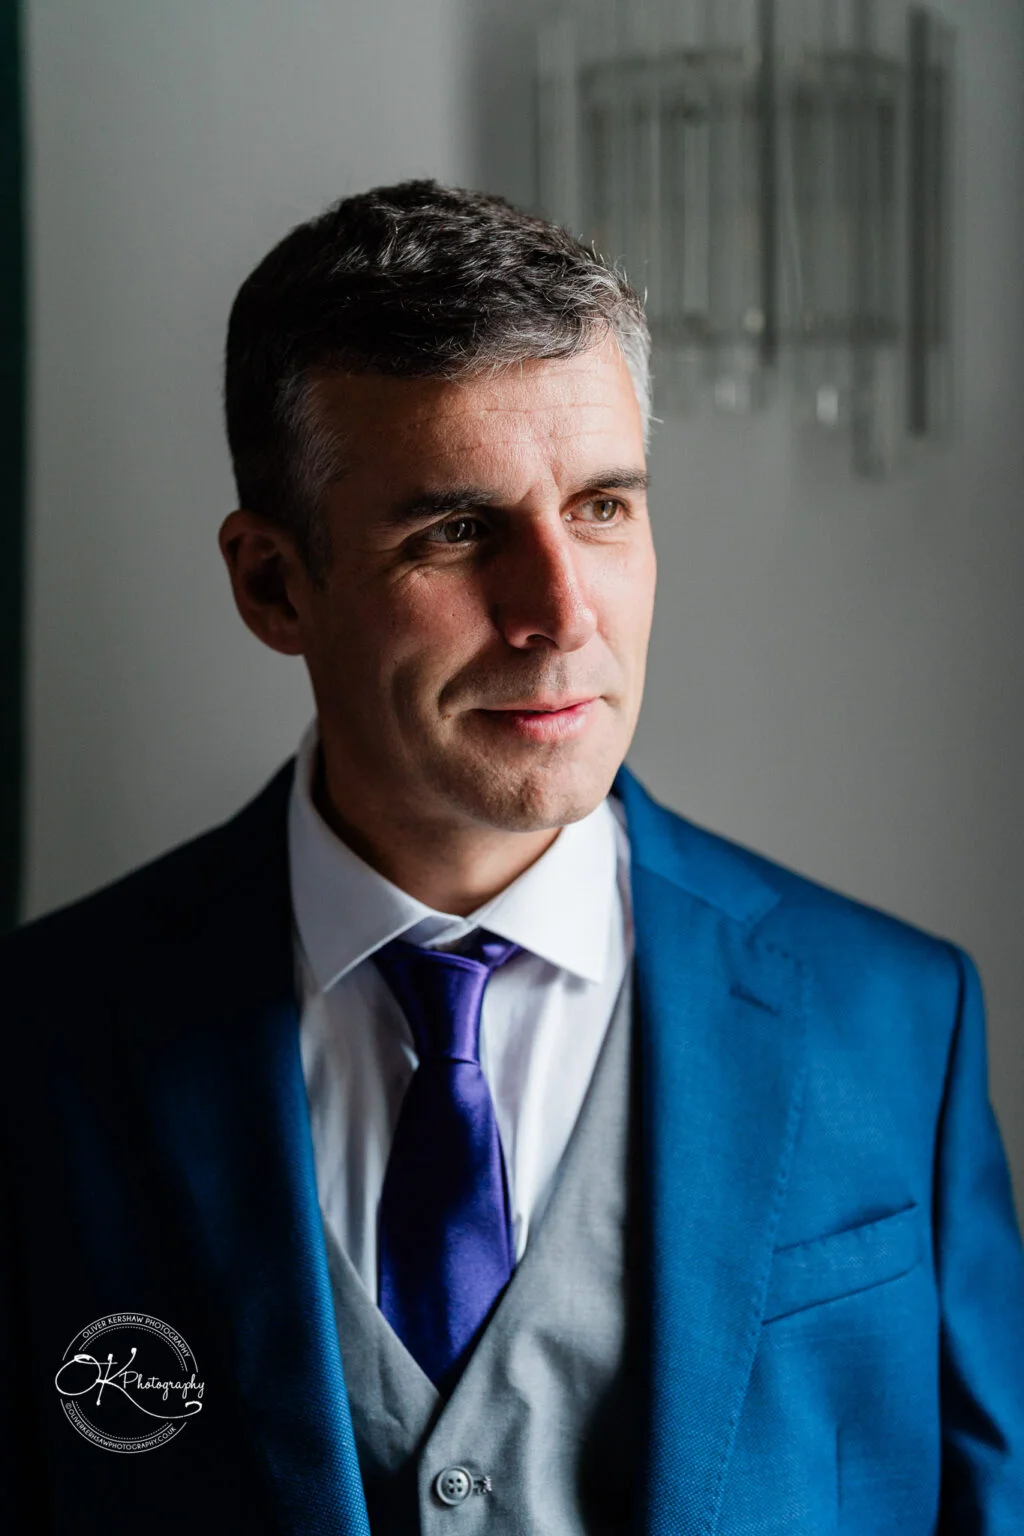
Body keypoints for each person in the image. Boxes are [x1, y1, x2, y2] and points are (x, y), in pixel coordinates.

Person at [2, 180, 1022, 1536]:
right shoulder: (41, 1039)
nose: (558, 613)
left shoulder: (898, 1019)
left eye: (603, 507)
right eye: (455, 530)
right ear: (273, 584)